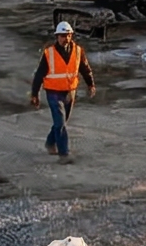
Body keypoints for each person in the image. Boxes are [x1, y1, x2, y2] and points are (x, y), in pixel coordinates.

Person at [28, 20, 96, 160]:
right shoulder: (49, 53)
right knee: (60, 123)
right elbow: (39, 74)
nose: (66, 38)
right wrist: (35, 94)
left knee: (62, 122)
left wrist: (91, 84)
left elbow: (85, 69)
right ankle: (64, 154)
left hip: (70, 92)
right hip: (53, 92)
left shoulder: (78, 51)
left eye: (68, 35)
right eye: (63, 36)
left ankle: (50, 143)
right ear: (57, 37)